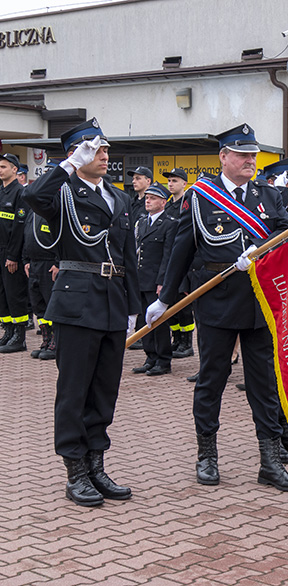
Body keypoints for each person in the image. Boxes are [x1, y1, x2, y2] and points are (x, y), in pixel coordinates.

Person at [146, 123, 288, 491]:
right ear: (224, 157)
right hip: (216, 298)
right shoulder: (200, 195)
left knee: (263, 382)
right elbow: (183, 248)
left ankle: (269, 459)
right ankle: (207, 455)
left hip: (259, 298)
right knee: (212, 378)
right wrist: (165, 297)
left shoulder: (267, 193)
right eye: (243, 154)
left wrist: (264, 249)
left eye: (253, 154)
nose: (250, 160)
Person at [23, 118, 141, 507]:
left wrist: (133, 309)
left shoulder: (120, 198)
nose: (104, 156)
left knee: (105, 390)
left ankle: (96, 464)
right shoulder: (64, 192)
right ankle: (75, 470)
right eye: (96, 149)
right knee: (74, 391)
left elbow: (126, 257)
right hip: (76, 302)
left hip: (112, 301)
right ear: (78, 152)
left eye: (105, 149)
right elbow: (34, 197)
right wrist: (71, 164)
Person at [132, 182, 177, 376]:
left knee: (158, 322)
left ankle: (163, 360)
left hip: (156, 280)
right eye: (147, 198)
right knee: (144, 320)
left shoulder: (169, 223)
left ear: (163, 202)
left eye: (152, 198)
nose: (147, 201)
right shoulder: (142, 222)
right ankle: (150, 357)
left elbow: (168, 256)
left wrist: (162, 282)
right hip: (141, 279)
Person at [162, 167, 195, 358]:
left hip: (183, 262)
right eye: (169, 181)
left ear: (184, 183)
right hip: (169, 259)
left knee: (183, 305)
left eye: (175, 180)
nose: (171, 184)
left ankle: (187, 342)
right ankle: (176, 338)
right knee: (171, 303)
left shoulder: (187, 202)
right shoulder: (167, 206)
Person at [0, 153, 30, 354]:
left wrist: (13, 256)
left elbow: (19, 227)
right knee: (2, 294)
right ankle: (8, 331)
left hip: (12, 253)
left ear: (14, 170)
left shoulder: (20, 193)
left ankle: (19, 336)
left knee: (14, 294)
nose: (0, 170)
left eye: (3, 166)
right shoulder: (0, 192)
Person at [23, 198, 59, 360]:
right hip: (34, 264)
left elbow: (61, 240)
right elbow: (26, 237)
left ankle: (56, 342)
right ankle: (46, 340)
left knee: (51, 304)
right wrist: (26, 261)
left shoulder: (53, 212)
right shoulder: (32, 213)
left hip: (49, 265)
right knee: (39, 306)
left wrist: (57, 263)